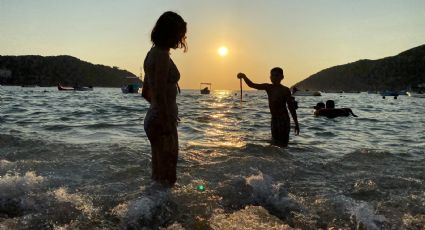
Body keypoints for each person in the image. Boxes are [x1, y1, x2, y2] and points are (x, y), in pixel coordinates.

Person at [142, 11, 187, 187]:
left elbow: (146, 92)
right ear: (170, 32)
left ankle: (150, 210)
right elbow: (159, 92)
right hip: (161, 121)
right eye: (180, 33)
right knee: (168, 177)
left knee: (158, 176)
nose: (182, 38)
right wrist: (167, 120)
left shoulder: (152, 53)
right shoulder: (162, 55)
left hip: (153, 119)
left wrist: (157, 110)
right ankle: (161, 212)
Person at [237, 68, 300, 147]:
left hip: (283, 120)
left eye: (276, 75)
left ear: (282, 77)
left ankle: (284, 158)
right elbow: (252, 85)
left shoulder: (285, 90)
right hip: (274, 119)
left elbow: (291, 107)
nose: (274, 77)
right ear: (270, 77)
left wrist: (296, 123)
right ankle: (277, 159)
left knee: (283, 144)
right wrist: (244, 76)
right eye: (272, 75)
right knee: (274, 143)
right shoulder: (268, 87)